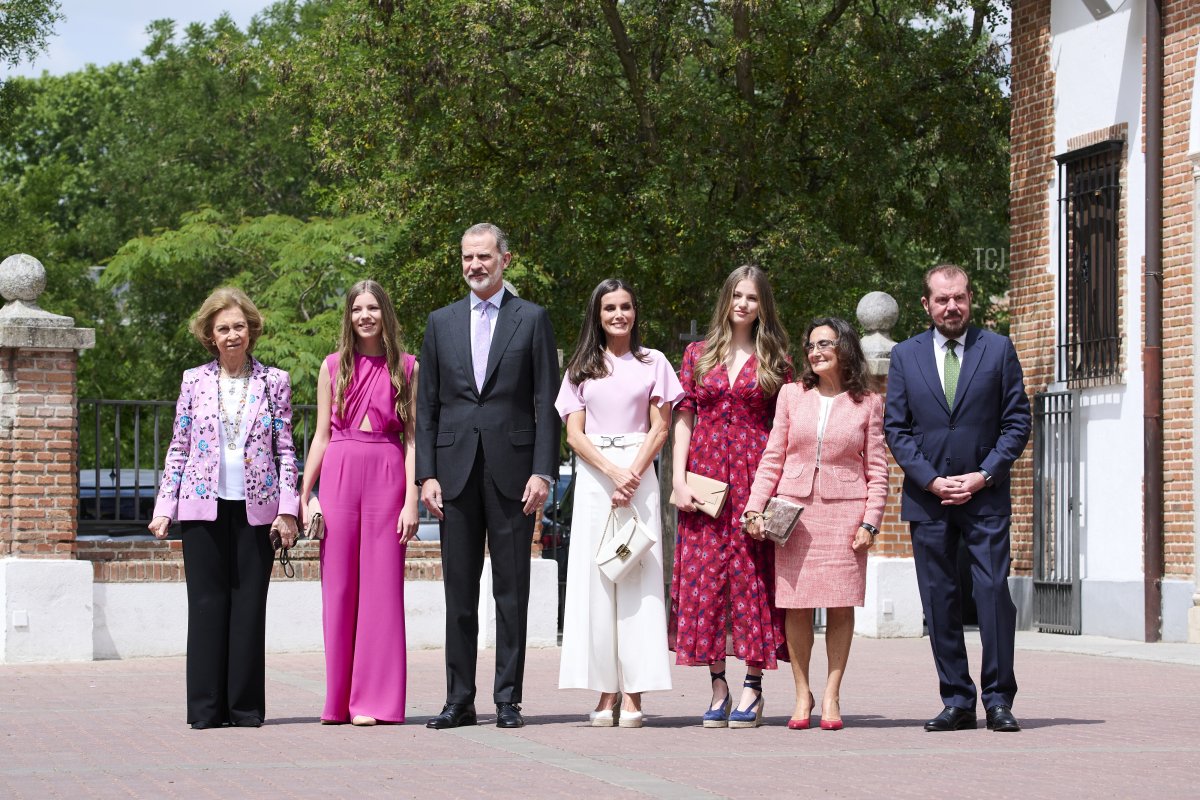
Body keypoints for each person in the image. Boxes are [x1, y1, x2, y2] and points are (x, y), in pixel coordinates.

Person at [417, 223, 561, 730]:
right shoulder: (441, 322)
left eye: (483, 256)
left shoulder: (532, 319)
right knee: (458, 591)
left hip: (514, 473)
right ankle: (459, 700)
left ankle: (507, 699)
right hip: (453, 475)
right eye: (466, 258)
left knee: (511, 591)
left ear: (505, 259)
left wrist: (544, 471)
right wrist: (425, 476)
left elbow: (547, 402)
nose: (474, 265)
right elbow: (427, 406)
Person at [883, 264, 1031, 733]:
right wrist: (929, 480)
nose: (952, 307)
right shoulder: (906, 356)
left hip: (985, 498)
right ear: (926, 304)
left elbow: (1017, 422)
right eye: (943, 299)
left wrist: (984, 474)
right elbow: (897, 428)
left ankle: (999, 700)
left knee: (991, 596)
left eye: (960, 298)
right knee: (940, 600)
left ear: (971, 299)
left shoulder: (999, 349)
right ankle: (957, 700)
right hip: (929, 500)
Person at [149, 287, 299, 729]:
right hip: (202, 508)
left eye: (239, 327)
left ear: (250, 331)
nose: (232, 335)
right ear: (210, 336)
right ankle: (206, 710)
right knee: (208, 606)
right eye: (222, 329)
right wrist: (165, 507)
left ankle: (244, 709)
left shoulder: (275, 382)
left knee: (249, 606)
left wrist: (287, 509)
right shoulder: (193, 380)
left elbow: (286, 450)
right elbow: (178, 448)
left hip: (258, 509)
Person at [743, 317, 888, 731]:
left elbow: (878, 470)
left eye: (825, 343)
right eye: (810, 345)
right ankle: (802, 692)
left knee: (841, 605)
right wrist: (755, 509)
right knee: (796, 606)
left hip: (845, 515)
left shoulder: (869, 403)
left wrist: (871, 522)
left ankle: (832, 694)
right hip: (794, 516)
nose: (816, 351)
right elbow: (773, 457)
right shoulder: (792, 395)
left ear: (845, 347)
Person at [670, 265, 792, 729]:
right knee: (706, 578)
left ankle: (753, 687)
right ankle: (718, 684)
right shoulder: (698, 354)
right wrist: (678, 479)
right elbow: (683, 416)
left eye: (753, 298)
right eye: (737, 295)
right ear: (726, 299)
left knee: (751, 579)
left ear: (764, 306)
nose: (743, 304)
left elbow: (786, 426)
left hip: (754, 477)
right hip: (704, 478)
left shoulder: (777, 357)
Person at [556, 279, 682, 728]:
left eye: (626, 306)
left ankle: (634, 692)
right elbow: (573, 433)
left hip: (639, 477)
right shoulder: (581, 367)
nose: (618, 315)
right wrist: (612, 472)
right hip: (595, 481)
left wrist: (632, 473)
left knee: (637, 577)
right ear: (598, 314)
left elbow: (661, 427)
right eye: (609, 307)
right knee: (596, 581)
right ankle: (605, 690)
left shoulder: (655, 362)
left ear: (635, 311)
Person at [300, 280, 418, 726]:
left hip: (388, 476)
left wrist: (411, 501)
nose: (364, 315)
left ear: (385, 313)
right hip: (340, 474)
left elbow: (411, 439)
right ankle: (339, 702)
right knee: (339, 588)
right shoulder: (332, 367)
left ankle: (373, 702)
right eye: (356, 309)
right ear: (348, 317)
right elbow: (321, 435)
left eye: (372, 308)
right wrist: (303, 495)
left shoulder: (407, 367)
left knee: (383, 590)